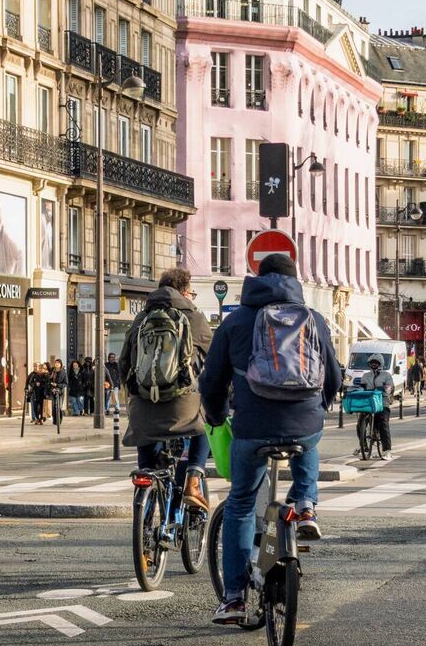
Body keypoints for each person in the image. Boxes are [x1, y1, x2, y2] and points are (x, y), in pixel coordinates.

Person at [199, 253, 342, 624]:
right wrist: (318, 406)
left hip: (251, 428)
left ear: (256, 278)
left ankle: (234, 598)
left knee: (242, 503)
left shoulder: (236, 321)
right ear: (295, 281)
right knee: (309, 439)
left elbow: (211, 380)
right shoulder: (314, 318)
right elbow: (335, 376)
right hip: (303, 422)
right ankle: (306, 503)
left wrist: (215, 417)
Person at [119, 268, 213, 511]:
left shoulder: (142, 317)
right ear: (184, 291)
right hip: (183, 406)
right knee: (205, 426)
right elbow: (214, 363)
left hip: (144, 406)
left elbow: (124, 363)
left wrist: (135, 393)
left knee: (148, 462)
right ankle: (193, 478)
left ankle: (146, 513)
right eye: (191, 292)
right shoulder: (194, 316)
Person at [354, 355, 395, 460]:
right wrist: (355, 390)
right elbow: (361, 387)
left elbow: (389, 388)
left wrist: (384, 389)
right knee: (360, 424)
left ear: (380, 364)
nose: (374, 364)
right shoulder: (366, 376)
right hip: (368, 402)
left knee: (383, 423)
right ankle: (364, 446)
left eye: (376, 363)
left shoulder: (386, 375)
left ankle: (387, 450)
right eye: (372, 363)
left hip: (382, 402)